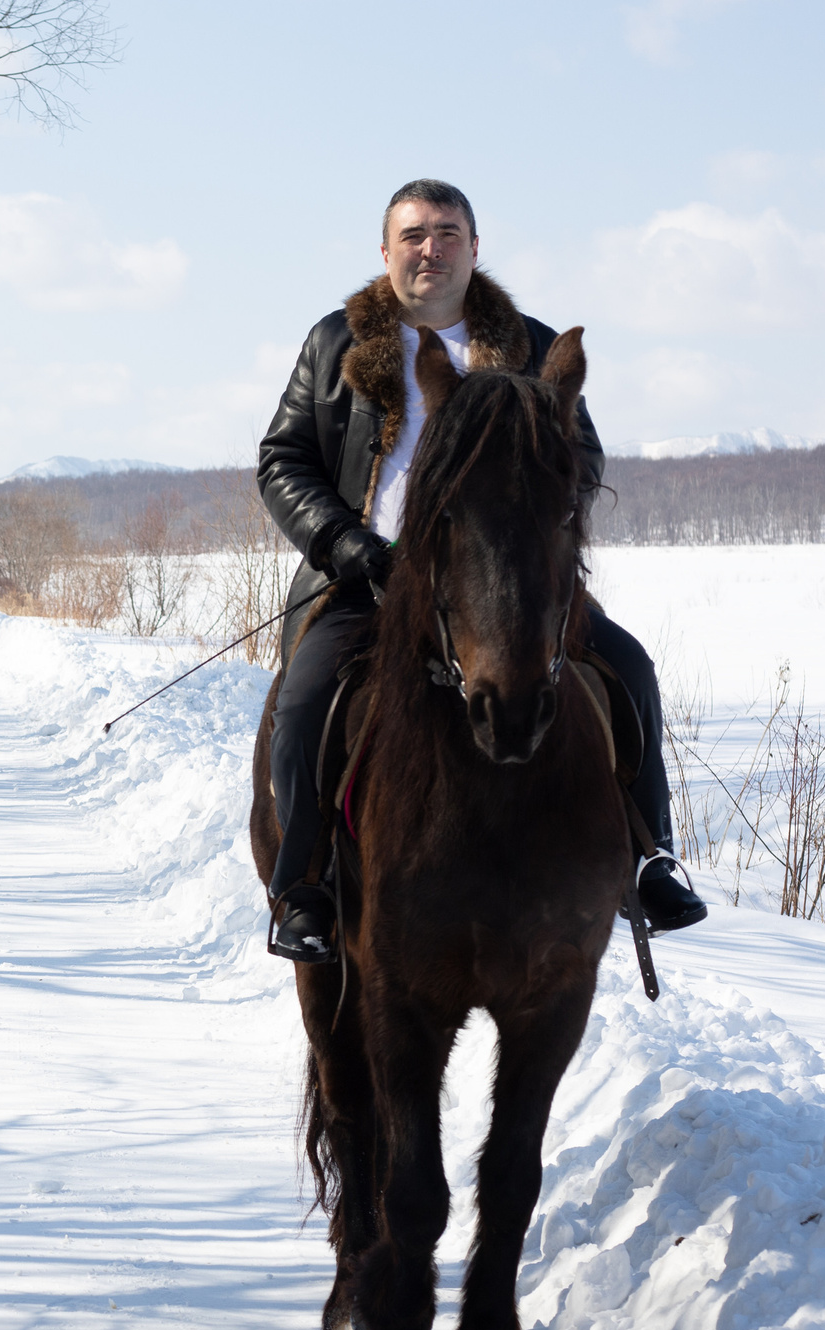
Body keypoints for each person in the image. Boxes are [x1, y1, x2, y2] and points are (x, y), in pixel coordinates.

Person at [254, 178, 708, 964]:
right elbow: (283, 458)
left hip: (507, 586)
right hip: (371, 581)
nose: (431, 248)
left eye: (448, 233)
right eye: (414, 234)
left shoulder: (528, 344)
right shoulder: (336, 342)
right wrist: (341, 541)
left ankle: (649, 857)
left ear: (474, 246)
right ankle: (305, 885)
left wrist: (536, 522)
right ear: (386, 251)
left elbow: (583, 454)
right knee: (303, 704)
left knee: (630, 668)